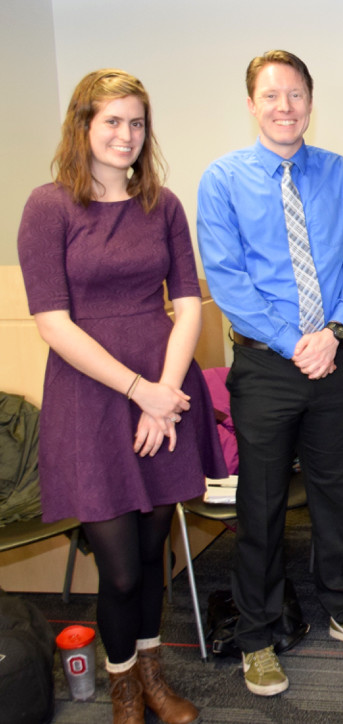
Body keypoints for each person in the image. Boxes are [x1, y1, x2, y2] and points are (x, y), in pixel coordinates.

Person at [18, 69, 224, 724]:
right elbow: (52, 322)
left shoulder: (161, 204)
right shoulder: (47, 206)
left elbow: (188, 304)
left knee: (151, 553)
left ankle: (153, 671)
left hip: (166, 387)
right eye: (112, 121)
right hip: (94, 400)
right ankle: (123, 684)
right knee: (121, 569)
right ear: (82, 126)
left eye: (136, 122)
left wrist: (164, 392)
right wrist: (142, 393)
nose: (126, 135)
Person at [196, 50, 343, 697]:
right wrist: (293, 342)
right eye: (271, 95)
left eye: (296, 95)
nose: (285, 107)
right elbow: (228, 279)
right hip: (263, 365)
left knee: (337, 493)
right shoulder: (222, 180)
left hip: (334, 359)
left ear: (311, 102)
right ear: (252, 104)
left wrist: (333, 333)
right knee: (261, 505)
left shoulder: (340, 175)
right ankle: (257, 634)